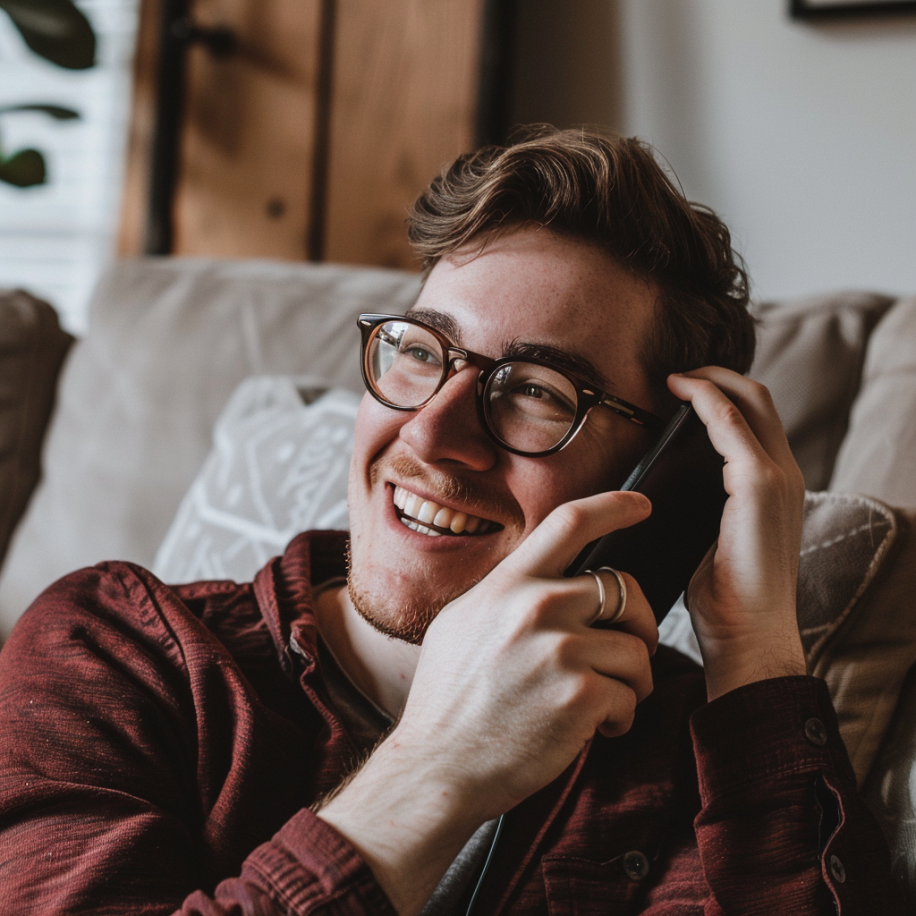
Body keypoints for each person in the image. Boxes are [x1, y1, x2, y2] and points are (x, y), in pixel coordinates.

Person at [0, 127, 903, 915]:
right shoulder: (117, 651)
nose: (430, 434)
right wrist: (440, 765)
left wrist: (757, 652)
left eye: (538, 394)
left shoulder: (683, 765)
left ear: (662, 474)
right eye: (418, 352)